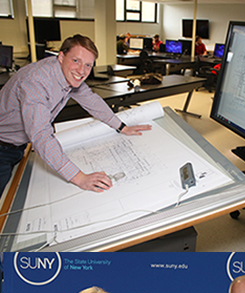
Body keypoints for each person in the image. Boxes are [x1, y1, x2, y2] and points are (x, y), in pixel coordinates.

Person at [0, 34, 151, 197]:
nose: (81, 71)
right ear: (61, 56)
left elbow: (91, 100)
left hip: (18, 145)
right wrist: (80, 178)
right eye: (76, 61)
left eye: (88, 65)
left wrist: (122, 127)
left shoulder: (65, 74)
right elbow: (41, 135)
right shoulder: (36, 82)